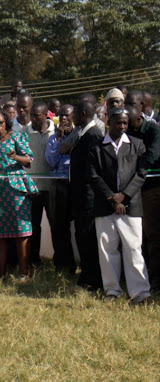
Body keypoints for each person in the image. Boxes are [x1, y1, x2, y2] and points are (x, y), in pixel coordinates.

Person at [88, 107, 151, 304]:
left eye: (125, 123)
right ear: (109, 123)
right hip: (105, 206)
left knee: (133, 249)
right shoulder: (97, 147)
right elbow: (93, 176)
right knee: (107, 250)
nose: (122, 126)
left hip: (131, 206)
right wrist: (111, 198)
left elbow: (140, 174)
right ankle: (112, 291)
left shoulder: (137, 145)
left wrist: (123, 196)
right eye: (118, 123)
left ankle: (140, 293)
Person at [0, 109, 38, 278]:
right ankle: (1, 272)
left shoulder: (16, 137)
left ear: (6, 122)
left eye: (1, 123)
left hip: (16, 189)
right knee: (0, 234)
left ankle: (23, 271)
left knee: (21, 231)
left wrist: (15, 157)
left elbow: (29, 160)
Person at [69, 100, 104, 291]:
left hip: (88, 198)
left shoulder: (93, 135)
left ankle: (93, 280)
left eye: (74, 113)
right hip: (80, 197)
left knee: (89, 239)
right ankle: (86, 276)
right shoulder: (83, 133)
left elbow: (92, 170)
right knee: (82, 237)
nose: (72, 117)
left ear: (82, 114)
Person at [125, 105, 160, 291]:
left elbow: (152, 157)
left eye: (130, 124)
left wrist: (131, 164)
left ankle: (155, 278)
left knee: (152, 234)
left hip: (151, 190)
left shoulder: (154, 131)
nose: (127, 129)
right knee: (139, 236)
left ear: (139, 119)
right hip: (133, 190)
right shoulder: (130, 130)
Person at [45, 104, 76, 274]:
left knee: (79, 227)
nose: (64, 118)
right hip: (59, 185)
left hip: (75, 185)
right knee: (59, 227)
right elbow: (51, 160)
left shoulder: (78, 135)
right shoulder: (53, 138)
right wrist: (59, 140)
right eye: (62, 115)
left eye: (67, 115)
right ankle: (64, 264)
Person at [23, 102, 55, 268]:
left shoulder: (55, 132)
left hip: (51, 188)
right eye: (32, 115)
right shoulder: (24, 132)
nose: (33, 118)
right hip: (32, 188)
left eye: (36, 115)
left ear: (46, 116)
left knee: (55, 225)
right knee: (34, 227)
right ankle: (35, 261)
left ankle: (60, 261)